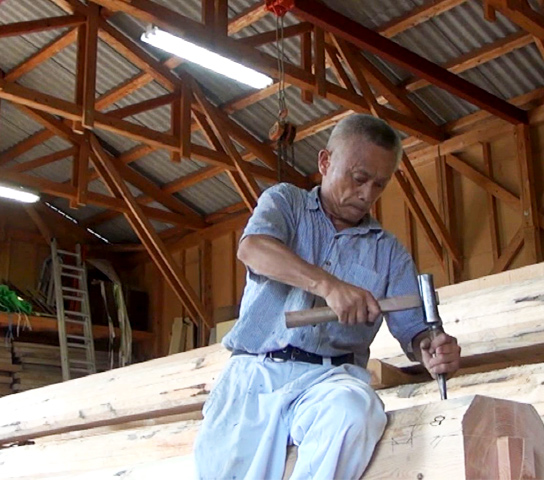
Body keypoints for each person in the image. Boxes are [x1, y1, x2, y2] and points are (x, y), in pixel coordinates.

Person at [194, 114, 461, 480]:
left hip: (330, 379)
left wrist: (431, 347)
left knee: (354, 412)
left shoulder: (389, 253)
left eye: (379, 185)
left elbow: (416, 331)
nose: (367, 194)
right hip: (256, 373)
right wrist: (328, 286)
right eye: (359, 178)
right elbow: (253, 249)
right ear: (325, 162)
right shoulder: (285, 203)